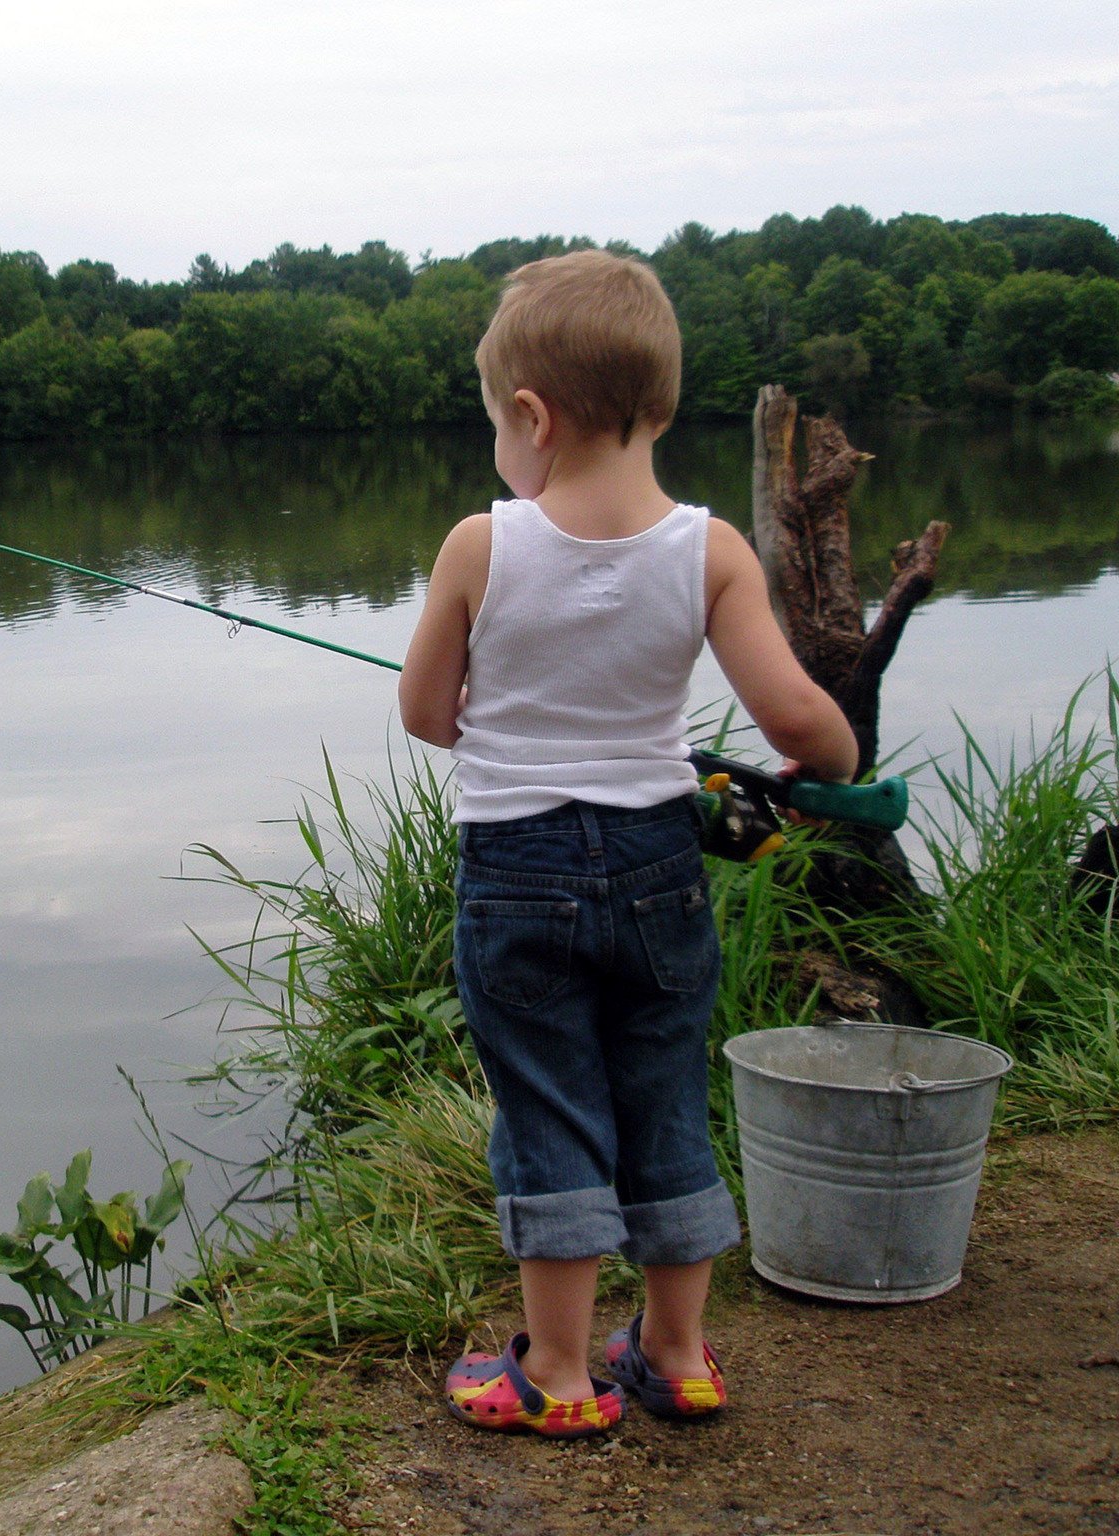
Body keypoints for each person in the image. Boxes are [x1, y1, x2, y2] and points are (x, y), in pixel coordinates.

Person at [397, 250, 859, 1437]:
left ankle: (555, 1377)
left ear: (530, 418)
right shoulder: (708, 552)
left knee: (547, 1109)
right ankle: (678, 1354)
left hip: (517, 877)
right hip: (659, 868)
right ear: (656, 405)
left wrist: (482, 708)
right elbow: (794, 720)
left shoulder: (477, 547)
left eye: (496, 424)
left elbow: (425, 713)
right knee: (660, 1098)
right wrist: (837, 762)